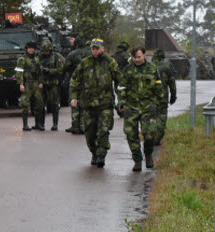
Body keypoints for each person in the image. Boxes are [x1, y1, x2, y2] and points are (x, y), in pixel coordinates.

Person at [70, 38, 121, 167]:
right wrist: (74, 97)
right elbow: (75, 80)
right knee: (89, 133)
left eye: (97, 48)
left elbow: (120, 82)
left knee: (103, 131)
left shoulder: (110, 62)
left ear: (103, 48)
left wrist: (121, 100)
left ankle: (101, 155)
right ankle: (94, 152)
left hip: (105, 104)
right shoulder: (85, 63)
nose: (95, 50)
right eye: (93, 48)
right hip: (89, 105)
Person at [118, 45, 164, 172]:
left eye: (139, 57)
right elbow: (121, 88)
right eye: (134, 57)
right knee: (130, 134)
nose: (137, 60)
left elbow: (159, 87)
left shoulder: (152, 69)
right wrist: (122, 102)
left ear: (144, 55)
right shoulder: (127, 70)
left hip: (148, 106)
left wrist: (158, 103)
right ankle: (137, 160)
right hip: (132, 106)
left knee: (149, 134)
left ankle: (148, 154)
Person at [62, 38, 91, 134]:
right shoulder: (91, 53)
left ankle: (75, 126)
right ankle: (83, 125)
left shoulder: (72, 54)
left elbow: (65, 67)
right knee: (85, 103)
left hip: (74, 80)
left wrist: (71, 73)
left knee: (74, 102)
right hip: (88, 81)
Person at [151, 49, 177, 145]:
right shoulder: (167, 67)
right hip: (163, 97)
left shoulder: (150, 66)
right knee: (161, 118)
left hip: (151, 97)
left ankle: (151, 136)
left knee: (152, 117)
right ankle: (157, 138)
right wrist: (173, 96)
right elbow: (172, 83)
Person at [16, 41, 44, 131]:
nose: (31, 50)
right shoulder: (22, 59)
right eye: (29, 48)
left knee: (39, 103)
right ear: (26, 49)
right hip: (27, 83)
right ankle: (25, 125)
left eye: (33, 48)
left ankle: (37, 124)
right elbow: (18, 72)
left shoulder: (37, 59)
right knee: (25, 104)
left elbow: (40, 72)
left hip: (36, 83)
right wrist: (21, 84)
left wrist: (41, 82)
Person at [39, 40, 66, 131]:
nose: (45, 52)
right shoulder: (39, 58)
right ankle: (41, 124)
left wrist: (49, 71)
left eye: (47, 51)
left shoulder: (55, 57)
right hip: (42, 84)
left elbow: (60, 69)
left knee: (54, 105)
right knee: (41, 105)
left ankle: (55, 124)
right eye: (44, 51)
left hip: (53, 84)